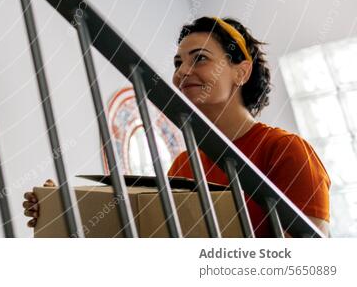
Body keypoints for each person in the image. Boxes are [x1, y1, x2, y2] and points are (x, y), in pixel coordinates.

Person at [23, 16, 331, 237]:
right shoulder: (184, 165)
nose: (182, 72)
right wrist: (63, 212)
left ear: (242, 72)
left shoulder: (286, 151)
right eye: (177, 63)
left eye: (199, 59)